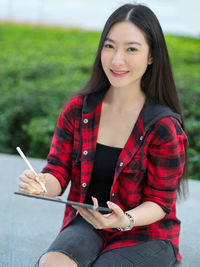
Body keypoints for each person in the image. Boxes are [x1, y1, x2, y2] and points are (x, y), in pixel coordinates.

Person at [18, 3, 188, 267]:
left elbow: (159, 202)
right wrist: (40, 185)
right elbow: (58, 172)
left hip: (145, 233)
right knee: (51, 263)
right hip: (88, 223)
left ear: (152, 56)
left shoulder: (163, 126)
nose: (116, 59)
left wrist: (125, 220)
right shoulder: (78, 110)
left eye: (131, 49)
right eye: (109, 46)